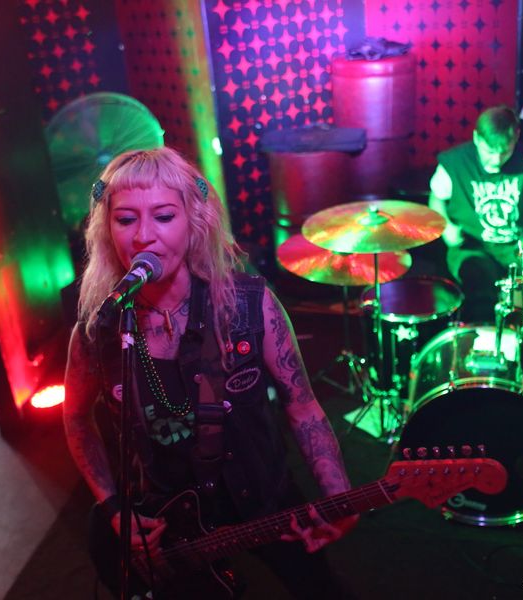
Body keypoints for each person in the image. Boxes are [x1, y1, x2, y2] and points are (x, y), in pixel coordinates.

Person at [64, 147, 357, 598]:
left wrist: (337, 493)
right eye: (125, 220)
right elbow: (75, 418)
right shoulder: (99, 327)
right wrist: (115, 509)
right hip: (169, 524)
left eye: (164, 216)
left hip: (263, 498)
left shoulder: (250, 304)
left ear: (194, 220)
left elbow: (302, 406)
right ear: (107, 229)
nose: (143, 236)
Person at [427, 105, 523, 322]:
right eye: (490, 152)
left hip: (516, 250)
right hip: (472, 247)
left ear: (516, 137)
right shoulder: (455, 163)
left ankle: (518, 332)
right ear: (476, 138)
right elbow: (436, 199)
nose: (496, 160)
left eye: (505, 152)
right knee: (478, 280)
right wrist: (446, 227)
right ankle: (480, 331)